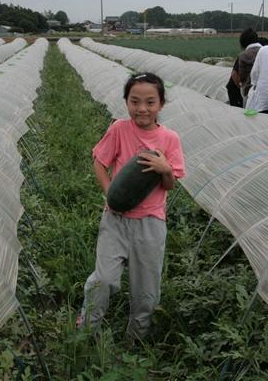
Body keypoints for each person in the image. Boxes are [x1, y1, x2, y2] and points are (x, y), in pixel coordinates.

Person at [77, 72, 186, 340]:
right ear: (126, 102)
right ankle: (86, 331)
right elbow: (99, 162)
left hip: (151, 223)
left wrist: (165, 169)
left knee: (146, 289)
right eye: (135, 101)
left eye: (150, 102)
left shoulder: (170, 139)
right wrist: (110, 194)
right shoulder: (119, 129)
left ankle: (136, 339)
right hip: (115, 220)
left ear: (161, 104)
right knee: (102, 280)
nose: (142, 108)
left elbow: (169, 185)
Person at [236, 28, 262, 102]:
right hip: (266, 91)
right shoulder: (266, 51)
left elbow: (242, 77)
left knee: (249, 113)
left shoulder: (243, 56)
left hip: (249, 92)